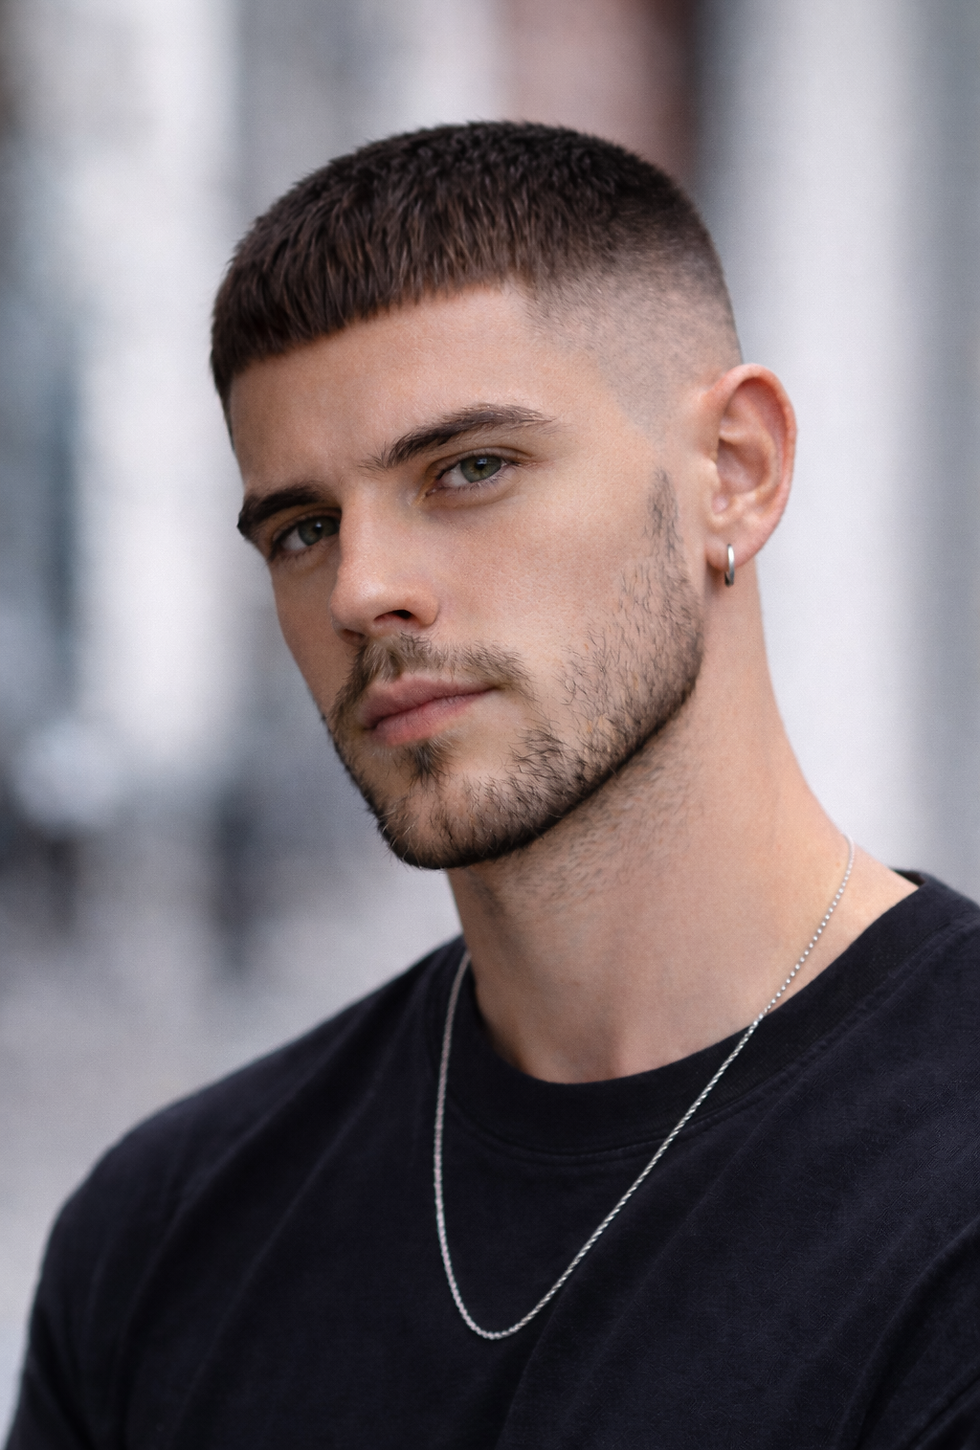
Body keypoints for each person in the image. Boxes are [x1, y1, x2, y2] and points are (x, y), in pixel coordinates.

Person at [8, 122, 979, 1450]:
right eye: (302, 527)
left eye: (467, 469)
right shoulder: (163, 1233)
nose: (360, 589)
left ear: (734, 474)